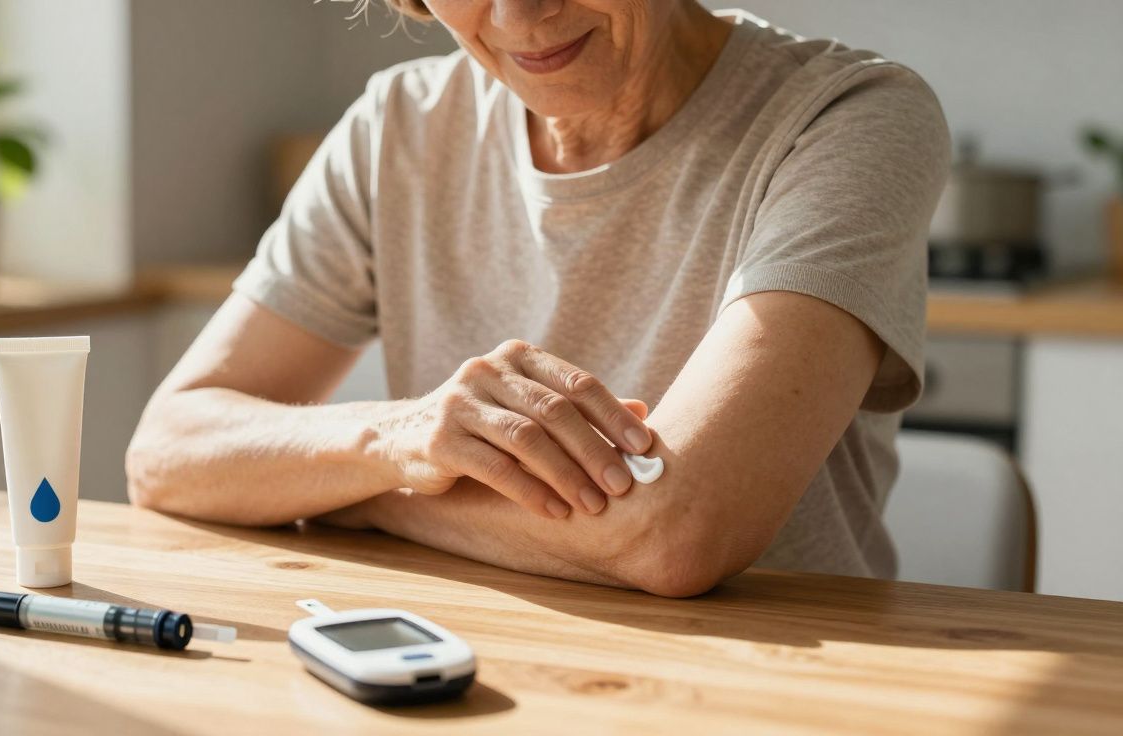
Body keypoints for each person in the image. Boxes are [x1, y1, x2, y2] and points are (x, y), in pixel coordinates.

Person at [126, 0, 950, 597]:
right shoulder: (400, 124)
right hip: (481, 662)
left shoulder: (851, 117)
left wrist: (368, 492)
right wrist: (394, 439)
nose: (520, 13)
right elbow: (166, 451)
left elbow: (677, 532)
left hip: (780, 689)